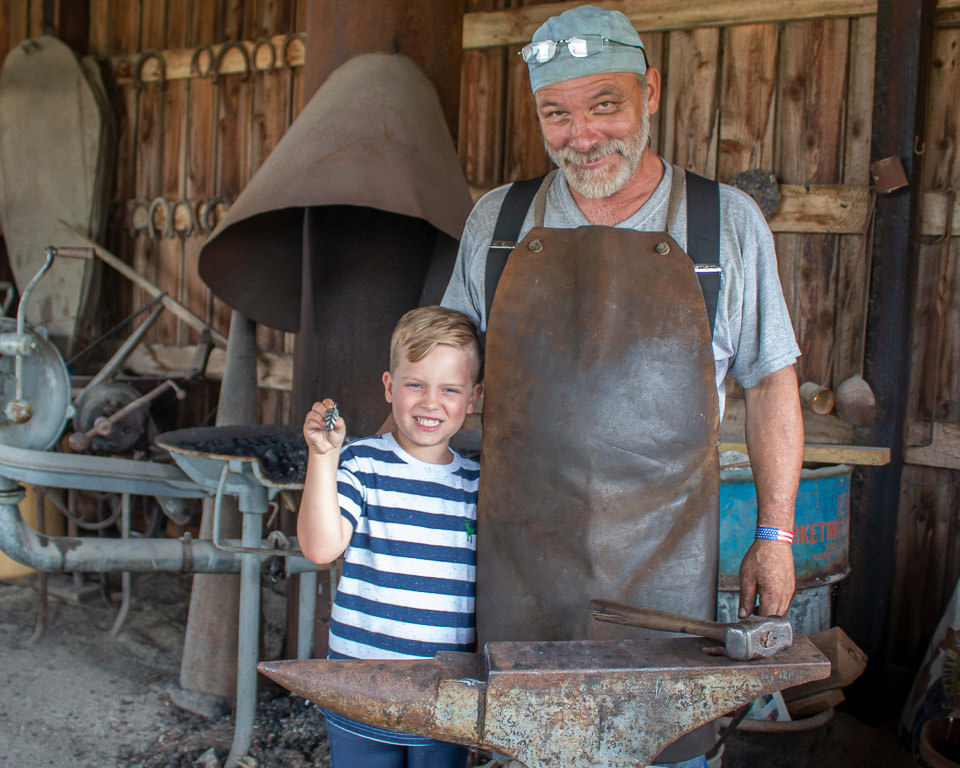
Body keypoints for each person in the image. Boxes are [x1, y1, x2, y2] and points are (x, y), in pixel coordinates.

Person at [441, 5, 804, 766]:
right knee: (522, 746)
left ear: (651, 91)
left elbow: (771, 383)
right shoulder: (498, 222)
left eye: (604, 105)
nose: (584, 137)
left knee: (659, 749)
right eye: (558, 115)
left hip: (663, 569)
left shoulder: (723, 223)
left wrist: (774, 537)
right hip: (519, 565)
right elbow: (444, 378)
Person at [297, 305, 483, 768]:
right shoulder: (362, 464)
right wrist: (323, 458)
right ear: (389, 386)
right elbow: (320, 547)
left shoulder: (479, 487)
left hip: (445, 696)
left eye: (450, 389)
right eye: (415, 384)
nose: (430, 402)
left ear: (474, 398)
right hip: (360, 687)